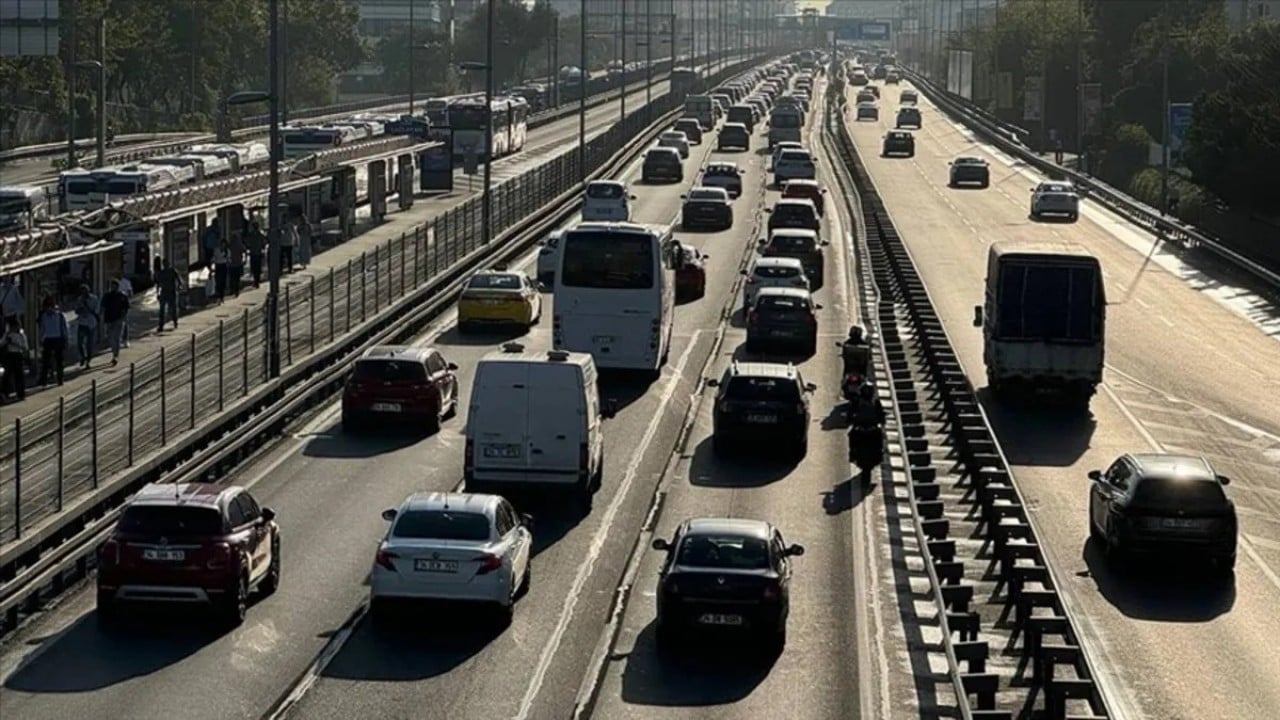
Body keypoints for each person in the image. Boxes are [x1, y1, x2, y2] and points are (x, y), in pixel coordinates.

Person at [38, 297, 69, 386]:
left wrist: (66, 339)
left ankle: (60, 379)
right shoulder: (44, 316)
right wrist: (41, 339)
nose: (47, 310)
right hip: (48, 339)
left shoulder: (59, 315)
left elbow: (64, 328)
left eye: (48, 307)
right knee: (46, 361)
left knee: (59, 361)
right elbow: (42, 328)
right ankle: (43, 380)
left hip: (58, 338)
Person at [101, 280, 130, 365]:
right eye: (112, 286)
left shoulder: (122, 296)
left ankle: (115, 356)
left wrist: (123, 317)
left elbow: (126, 307)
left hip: (119, 320)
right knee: (110, 337)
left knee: (117, 338)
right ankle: (114, 351)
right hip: (109, 319)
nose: (113, 288)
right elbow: (102, 307)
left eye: (115, 286)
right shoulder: (107, 296)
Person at [1, 316, 29, 401]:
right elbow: (2, 343)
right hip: (10, 355)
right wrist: (6, 341)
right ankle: (5, 393)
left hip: (18, 355)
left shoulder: (21, 335)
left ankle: (21, 394)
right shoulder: (8, 334)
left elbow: (25, 347)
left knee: (19, 375)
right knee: (7, 375)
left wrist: (14, 343)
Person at [74, 284, 100, 369]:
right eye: (82, 292)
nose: (84, 293)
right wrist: (80, 309)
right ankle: (83, 356)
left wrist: (90, 310)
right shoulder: (79, 299)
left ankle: (88, 361)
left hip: (91, 323)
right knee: (80, 343)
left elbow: (97, 310)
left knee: (90, 344)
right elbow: (76, 311)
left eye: (85, 291)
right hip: (82, 322)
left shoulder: (94, 299)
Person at [156, 259, 183, 331]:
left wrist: (180, 286)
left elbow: (179, 280)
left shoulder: (172, 271)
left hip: (171, 292)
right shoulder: (162, 273)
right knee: (163, 310)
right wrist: (158, 293)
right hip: (166, 292)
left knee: (172, 309)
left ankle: (174, 321)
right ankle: (162, 325)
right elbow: (158, 284)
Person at [247, 221, 265, 288]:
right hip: (258, 253)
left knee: (255, 268)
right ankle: (257, 281)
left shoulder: (251, 235)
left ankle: (256, 281)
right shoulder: (260, 235)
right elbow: (264, 242)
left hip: (253, 253)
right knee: (257, 268)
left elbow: (247, 243)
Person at [228, 228, 246, 297]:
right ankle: (236, 291)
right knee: (237, 278)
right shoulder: (239, 244)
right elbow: (244, 250)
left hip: (231, 264)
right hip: (238, 263)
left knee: (232, 278)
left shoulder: (230, 245)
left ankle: (232, 290)